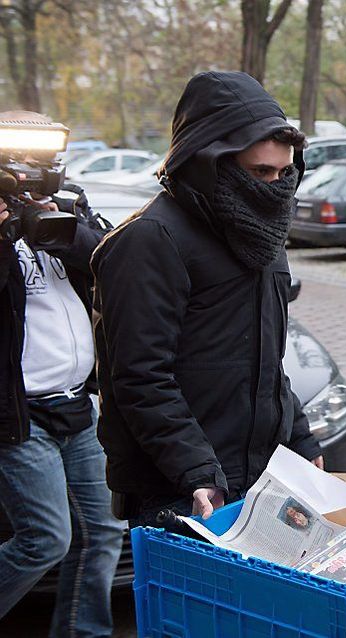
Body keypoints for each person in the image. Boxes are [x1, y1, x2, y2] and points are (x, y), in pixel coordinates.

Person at [91, 71, 323, 528]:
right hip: (184, 492)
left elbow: (266, 363)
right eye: (260, 172)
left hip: (259, 481)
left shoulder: (263, 236)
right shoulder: (150, 241)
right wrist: (195, 468)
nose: (274, 187)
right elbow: (139, 376)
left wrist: (301, 441)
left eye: (283, 173)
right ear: (210, 162)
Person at [0, 111, 123, 634]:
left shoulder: (68, 206)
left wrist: (62, 225)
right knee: (45, 539)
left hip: (77, 403)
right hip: (19, 414)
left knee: (103, 530)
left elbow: (114, 262)